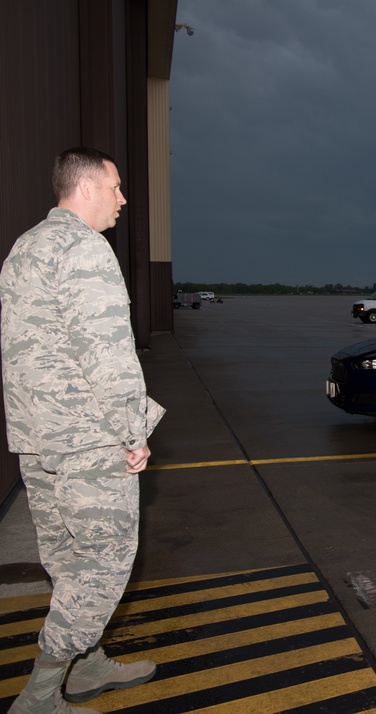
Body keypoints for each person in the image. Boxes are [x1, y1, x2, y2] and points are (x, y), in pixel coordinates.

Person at [1, 147, 165, 712]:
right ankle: (40, 695)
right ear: (87, 187)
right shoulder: (85, 250)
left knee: (68, 561)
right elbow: (108, 354)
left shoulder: (26, 248)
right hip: (89, 441)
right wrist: (133, 431)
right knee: (102, 564)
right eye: (116, 187)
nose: (123, 199)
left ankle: (88, 666)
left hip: (39, 440)